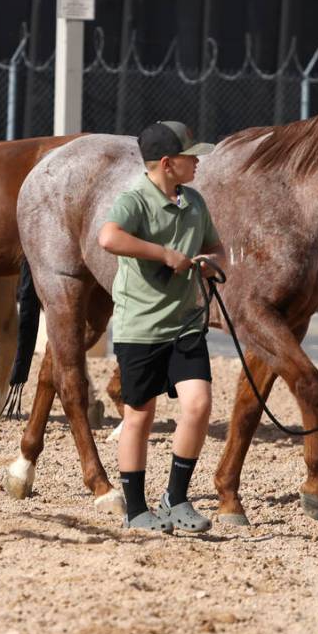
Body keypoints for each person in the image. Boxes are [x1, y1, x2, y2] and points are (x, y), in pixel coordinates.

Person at [98, 121, 226, 533]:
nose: (198, 163)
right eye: (192, 156)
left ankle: (176, 498)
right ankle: (136, 511)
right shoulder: (134, 199)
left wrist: (210, 265)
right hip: (140, 328)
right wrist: (163, 254)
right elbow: (108, 238)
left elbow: (217, 250)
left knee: (199, 405)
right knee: (140, 416)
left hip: (186, 324)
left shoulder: (195, 203)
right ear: (169, 163)